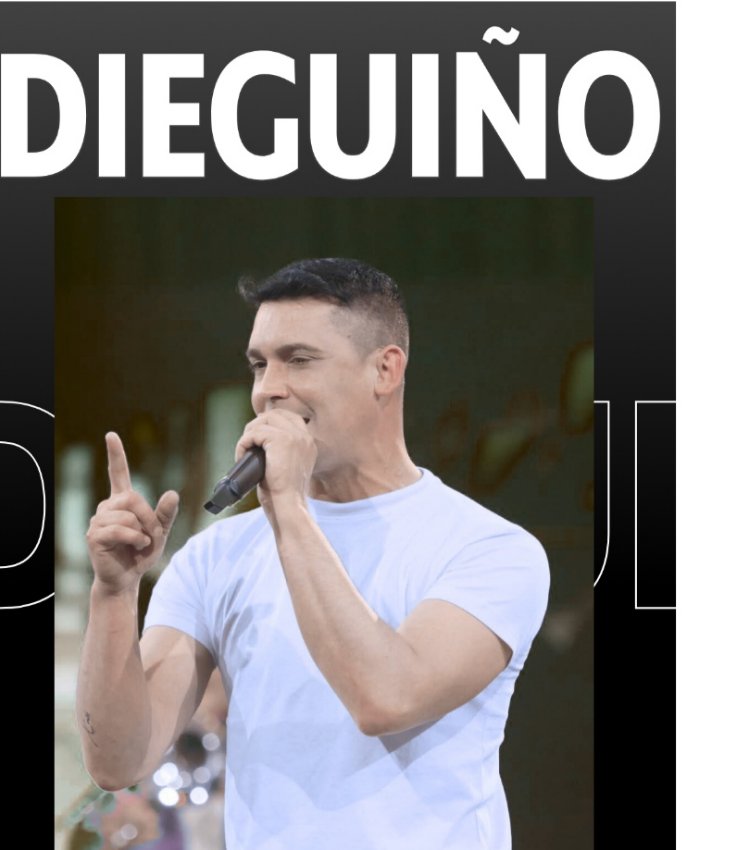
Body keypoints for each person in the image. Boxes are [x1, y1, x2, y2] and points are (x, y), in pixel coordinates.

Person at [77, 258, 550, 850]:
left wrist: (289, 507)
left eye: (299, 359)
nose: (268, 389)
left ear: (385, 369)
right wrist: (114, 594)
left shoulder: (487, 548)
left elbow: (387, 698)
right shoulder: (216, 558)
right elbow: (118, 760)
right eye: (259, 364)